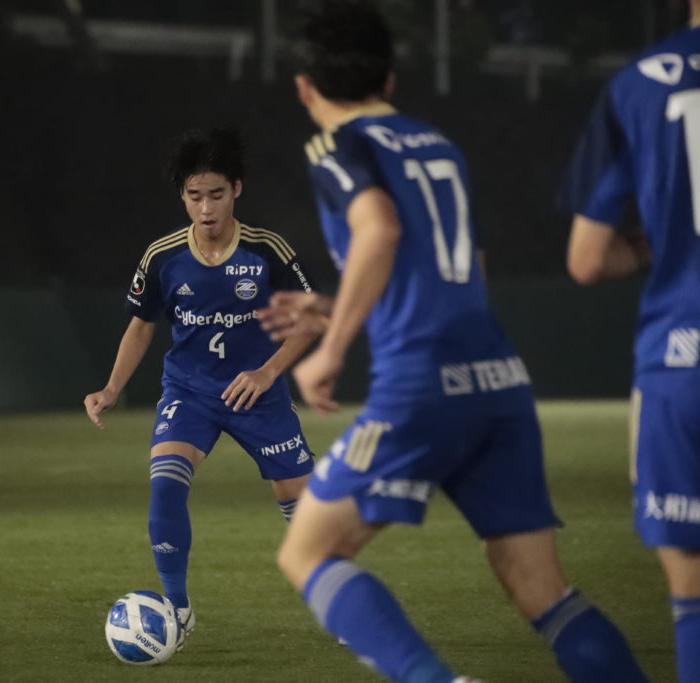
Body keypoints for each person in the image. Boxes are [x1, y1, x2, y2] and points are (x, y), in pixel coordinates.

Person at [257, 2, 647, 681]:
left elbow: (378, 229)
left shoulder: (337, 146)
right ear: (389, 78)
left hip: (422, 385)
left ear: (305, 87)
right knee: (543, 590)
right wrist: (338, 305)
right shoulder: (437, 144)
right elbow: (464, 269)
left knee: (307, 552)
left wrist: (332, 347)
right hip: (497, 379)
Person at [84, 127, 319, 646]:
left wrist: (267, 372)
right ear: (182, 196)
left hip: (258, 397)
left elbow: (309, 320)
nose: (206, 208)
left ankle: (338, 604)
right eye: (195, 196)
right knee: (166, 482)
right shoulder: (163, 256)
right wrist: (112, 387)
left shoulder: (267, 250)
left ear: (237, 189)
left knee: (304, 510)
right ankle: (177, 608)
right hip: (189, 392)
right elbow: (142, 325)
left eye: (216, 194)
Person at [563, 3, 700, 679]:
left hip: (681, 354)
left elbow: (587, 259)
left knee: (691, 581)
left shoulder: (639, 83)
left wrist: (659, 248)